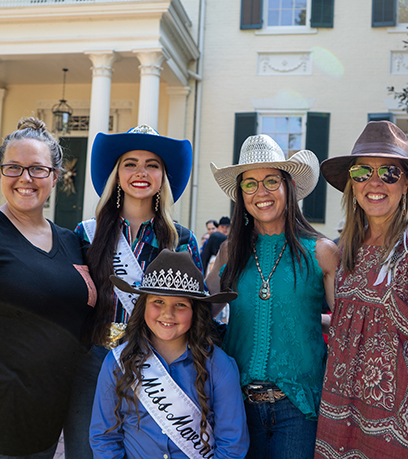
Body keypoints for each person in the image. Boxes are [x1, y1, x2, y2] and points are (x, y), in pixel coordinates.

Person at [64, 125, 203, 458]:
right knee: (86, 451)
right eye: (130, 163)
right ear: (117, 174)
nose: (141, 172)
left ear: (162, 177)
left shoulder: (182, 240)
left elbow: (197, 312)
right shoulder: (86, 234)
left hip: (154, 367)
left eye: (152, 164)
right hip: (92, 364)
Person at [206, 134, 339, 459]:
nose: (261, 192)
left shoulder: (321, 252)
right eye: (250, 184)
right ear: (240, 195)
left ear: (288, 186)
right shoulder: (229, 251)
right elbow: (203, 313)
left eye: (270, 181)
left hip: (300, 409)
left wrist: (309, 322)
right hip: (237, 407)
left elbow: (345, 327)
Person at [90, 249, 250, 458]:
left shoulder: (219, 366)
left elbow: (232, 445)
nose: (168, 313)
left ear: (196, 311)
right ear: (143, 306)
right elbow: (104, 438)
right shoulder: (117, 363)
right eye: (158, 301)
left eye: (180, 305)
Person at [0, 118, 96, 458]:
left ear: (55, 177)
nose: (25, 178)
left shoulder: (72, 242)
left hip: (50, 423)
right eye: (13, 167)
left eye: (37, 169)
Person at [314, 121, 408, 459]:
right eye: (362, 171)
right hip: (340, 410)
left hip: (393, 427)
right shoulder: (346, 251)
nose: (374, 182)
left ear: (406, 183)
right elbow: (352, 324)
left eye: (389, 172)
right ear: (351, 185)